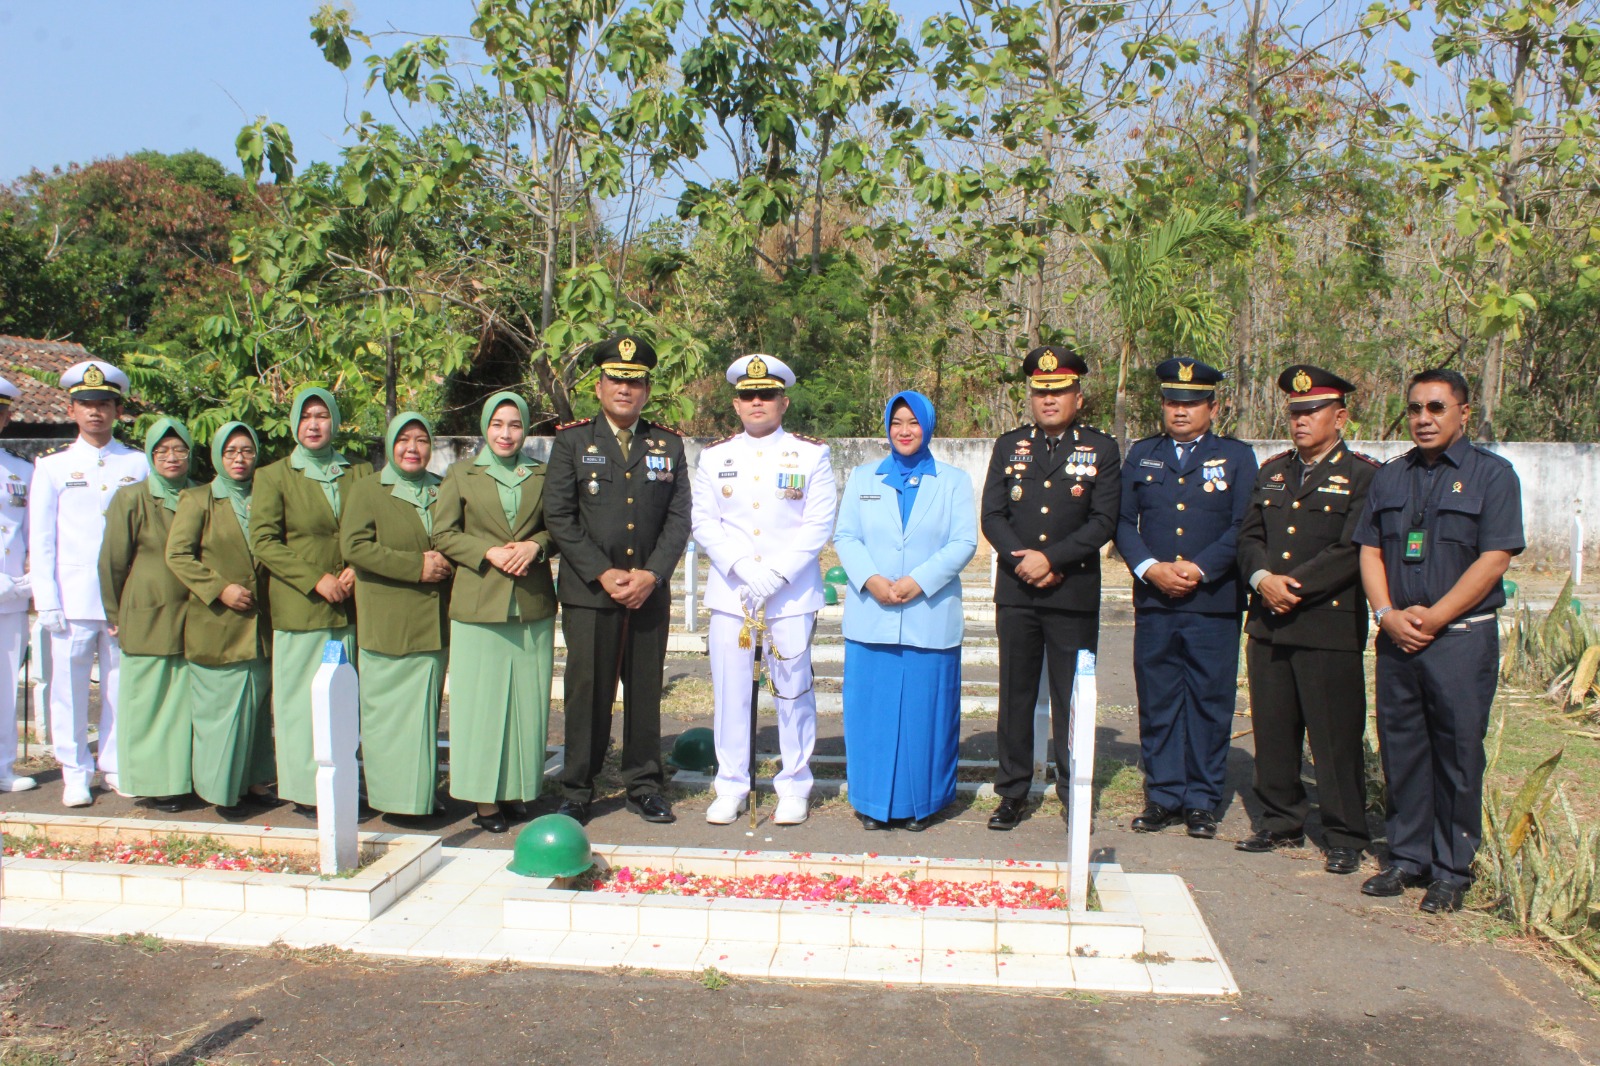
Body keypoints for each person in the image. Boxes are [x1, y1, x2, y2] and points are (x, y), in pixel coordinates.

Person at [1354, 368, 1523, 914]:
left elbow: (1494, 558)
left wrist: (1434, 618)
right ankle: (1407, 856)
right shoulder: (1391, 476)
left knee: (1456, 753)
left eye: (1436, 408)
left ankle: (1452, 868)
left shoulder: (1493, 476)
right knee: (1402, 749)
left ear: (1463, 413)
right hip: (1397, 638)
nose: (1423, 419)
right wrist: (1386, 613)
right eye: (1415, 409)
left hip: (1459, 640)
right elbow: (1371, 550)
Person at [1236, 366, 1378, 874]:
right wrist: (1261, 580)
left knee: (1334, 736)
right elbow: (1249, 537)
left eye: (1311, 411)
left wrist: (1292, 585)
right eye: (1294, 412)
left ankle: (1343, 835)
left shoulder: (1364, 475)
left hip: (1326, 624)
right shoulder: (1272, 470)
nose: (1300, 420)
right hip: (1269, 621)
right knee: (1273, 729)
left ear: (1340, 417)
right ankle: (1279, 822)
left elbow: (1354, 548)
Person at [544, 336, 691, 826]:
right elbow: (560, 516)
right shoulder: (571, 441)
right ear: (600, 385)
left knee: (646, 690)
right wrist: (603, 573)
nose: (625, 389)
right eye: (616, 379)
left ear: (647, 389)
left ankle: (644, 784)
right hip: (591, 592)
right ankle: (577, 788)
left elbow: (679, 518)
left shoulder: (667, 445)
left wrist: (651, 574)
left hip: (648, 592)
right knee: (588, 691)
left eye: (635, 381)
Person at [690, 354, 836, 826]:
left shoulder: (812, 454)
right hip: (733, 592)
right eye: (749, 395)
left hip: (789, 593)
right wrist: (739, 567)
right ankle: (731, 784)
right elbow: (704, 523)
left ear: (783, 401)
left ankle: (795, 784)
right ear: (736, 404)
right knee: (731, 691)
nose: (758, 402)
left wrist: (775, 574)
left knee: (793, 690)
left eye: (767, 394)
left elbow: (818, 524)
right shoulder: (715, 457)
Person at [979, 346, 1121, 831]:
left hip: (1071, 590)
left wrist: (1052, 559)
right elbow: (993, 516)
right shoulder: (1009, 445)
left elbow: (1104, 520)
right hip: (1018, 592)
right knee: (1015, 694)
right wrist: (1025, 562)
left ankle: (1072, 791)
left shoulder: (1102, 449)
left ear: (1078, 397)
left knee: (1070, 697)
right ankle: (1012, 792)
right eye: (1040, 392)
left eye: (1059, 391)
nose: (1049, 400)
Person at [1116, 358, 1259, 839]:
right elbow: (1121, 522)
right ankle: (1163, 795)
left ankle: (1201, 799)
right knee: (1157, 699)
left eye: (1192, 403)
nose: (1180, 411)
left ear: (1212, 407)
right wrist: (1150, 569)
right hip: (1155, 599)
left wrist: (1198, 568)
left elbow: (1244, 526)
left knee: (1209, 700)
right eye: (1172, 402)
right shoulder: (1142, 453)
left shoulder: (1237, 457)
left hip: (1212, 600)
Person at [835, 390, 976, 831]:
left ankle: (925, 803)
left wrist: (919, 580)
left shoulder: (953, 481)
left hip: (928, 616)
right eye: (897, 422)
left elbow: (963, 542)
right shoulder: (863, 478)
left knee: (925, 714)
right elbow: (845, 537)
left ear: (928, 426)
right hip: (871, 614)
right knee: (871, 714)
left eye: (914, 422)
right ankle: (872, 803)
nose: (905, 430)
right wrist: (872, 580)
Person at [433, 392, 557, 834]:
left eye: (515, 425)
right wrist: (486, 550)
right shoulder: (460, 474)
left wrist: (535, 546)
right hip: (478, 604)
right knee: (480, 707)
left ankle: (516, 790)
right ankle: (484, 799)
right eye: (497, 424)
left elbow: (559, 527)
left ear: (526, 429)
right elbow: (443, 532)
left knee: (526, 704)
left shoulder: (543, 474)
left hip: (531, 604)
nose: (506, 434)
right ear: (485, 427)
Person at [249, 388, 372, 814]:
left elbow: (370, 528)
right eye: (306, 417)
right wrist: (315, 579)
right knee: (302, 703)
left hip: (351, 603)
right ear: (294, 424)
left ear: (334, 422)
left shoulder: (358, 472)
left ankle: (344, 779)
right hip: (302, 606)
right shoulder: (274, 476)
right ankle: (304, 788)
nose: (314, 425)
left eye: (322, 416)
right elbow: (264, 541)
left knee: (344, 699)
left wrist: (358, 565)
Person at [29, 360, 146, 806]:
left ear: (118, 410)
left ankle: (114, 763)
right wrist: (47, 599)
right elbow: (42, 540)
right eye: (85, 405)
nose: (95, 413)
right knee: (70, 690)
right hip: (72, 598)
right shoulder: (53, 467)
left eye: (103, 404)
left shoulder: (136, 463)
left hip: (122, 599)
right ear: (71, 410)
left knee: (119, 686)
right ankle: (74, 770)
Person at [341, 413, 453, 819]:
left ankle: (419, 794)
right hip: (388, 619)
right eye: (404, 439)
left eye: (421, 440)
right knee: (387, 716)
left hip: (434, 620)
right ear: (390, 444)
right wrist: (414, 566)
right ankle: (393, 800)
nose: (412, 448)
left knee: (424, 714)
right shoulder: (368, 489)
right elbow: (355, 546)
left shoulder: (443, 489)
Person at [165, 422, 279, 818]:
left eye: (247, 450)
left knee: (256, 706)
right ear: (216, 455)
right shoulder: (198, 499)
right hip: (217, 623)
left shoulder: (266, 495)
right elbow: (178, 555)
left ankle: (254, 780)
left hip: (260, 624)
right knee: (220, 711)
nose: (239, 458)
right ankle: (220, 790)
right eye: (230, 451)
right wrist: (220, 588)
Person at [99, 418, 196, 812]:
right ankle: (151, 782)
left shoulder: (200, 494)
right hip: (146, 611)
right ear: (150, 456)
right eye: (161, 451)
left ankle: (180, 779)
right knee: (150, 701)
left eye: (179, 450)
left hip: (191, 613)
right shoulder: (132, 498)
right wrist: (114, 610)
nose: (171, 458)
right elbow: (112, 562)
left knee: (182, 701)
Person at [0, 376, 38, 794]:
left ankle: (3, 766)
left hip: (9, 595)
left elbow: (34, 533)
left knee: (5, 684)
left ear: (7, 417)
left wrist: (29, 583)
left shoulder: (21, 469)